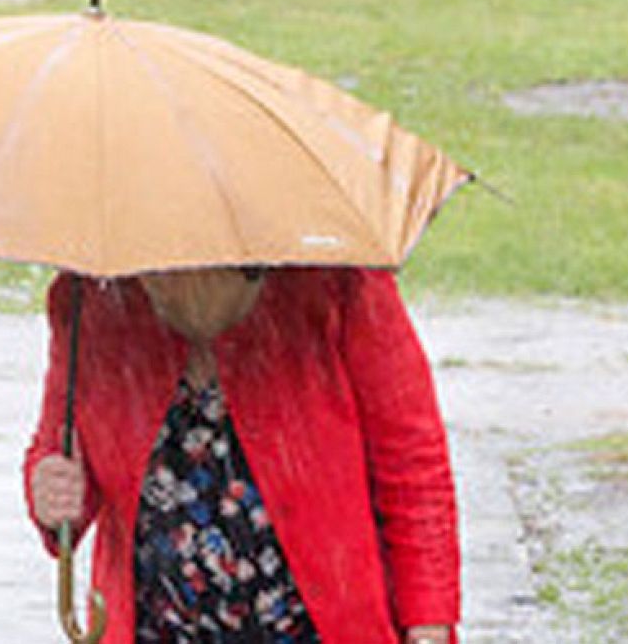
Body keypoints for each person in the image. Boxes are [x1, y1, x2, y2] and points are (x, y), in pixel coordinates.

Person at [24, 265, 460, 644]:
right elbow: (58, 451)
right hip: (156, 629)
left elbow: (412, 465)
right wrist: (51, 493)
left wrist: (428, 628)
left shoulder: (339, 279)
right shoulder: (88, 298)